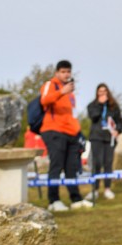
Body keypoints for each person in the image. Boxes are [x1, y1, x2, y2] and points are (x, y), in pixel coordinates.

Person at [40, 60, 92, 212]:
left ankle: (76, 199)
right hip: (54, 131)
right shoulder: (51, 85)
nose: (66, 74)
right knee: (56, 166)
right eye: (63, 71)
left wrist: (78, 132)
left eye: (68, 71)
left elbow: (73, 115)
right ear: (57, 73)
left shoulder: (71, 95)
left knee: (71, 167)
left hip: (71, 134)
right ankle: (53, 200)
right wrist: (61, 92)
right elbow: (44, 100)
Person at [86, 83, 122, 201]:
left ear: (108, 92)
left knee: (108, 162)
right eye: (100, 91)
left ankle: (107, 188)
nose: (102, 94)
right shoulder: (92, 105)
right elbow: (94, 117)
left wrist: (118, 130)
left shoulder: (113, 106)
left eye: (104, 91)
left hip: (109, 138)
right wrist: (100, 104)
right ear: (97, 93)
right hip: (97, 136)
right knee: (97, 163)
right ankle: (95, 189)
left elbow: (120, 121)